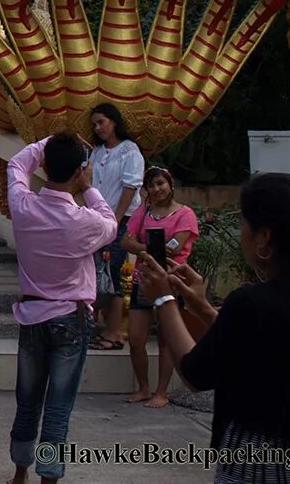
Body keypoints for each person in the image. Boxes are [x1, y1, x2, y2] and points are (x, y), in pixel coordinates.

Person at [138, 173, 290, 484]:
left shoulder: (250, 301)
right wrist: (205, 310)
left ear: (264, 237)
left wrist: (165, 300)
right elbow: (261, 342)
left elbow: (195, 373)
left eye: (243, 225)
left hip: (255, 462)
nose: (241, 234)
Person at [6, 133, 117, 484]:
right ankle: (49, 476)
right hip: (71, 317)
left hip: (33, 315)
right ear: (79, 172)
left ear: (46, 166)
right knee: (58, 406)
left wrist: (48, 141)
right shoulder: (82, 221)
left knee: (28, 401)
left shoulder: (23, 205)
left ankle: (20, 471)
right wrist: (89, 187)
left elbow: (16, 164)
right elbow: (111, 223)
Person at [121, 165, 197, 408]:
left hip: (171, 280)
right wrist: (150, 249)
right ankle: (143, 388)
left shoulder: (185, 214)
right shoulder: (142, 213)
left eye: (161, 183)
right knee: (135, 337)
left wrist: (142, 247)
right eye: (151, 185)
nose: (156, 189)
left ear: (170, 185)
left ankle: (162, 392)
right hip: (143, 280)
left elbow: (175, 247)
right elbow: (125, 241)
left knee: (166, 339)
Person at [87, 103, 144, 352]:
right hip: (97, 221)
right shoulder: (97, 152)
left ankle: (115, 333)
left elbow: (130, 188)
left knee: (114, 273)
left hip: (119, 223)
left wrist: (116, 219)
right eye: (94, 125)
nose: (98, 128)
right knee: (99, 273)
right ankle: (99, 326)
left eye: (101, 122)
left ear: (114, 121)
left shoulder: (130, 151)